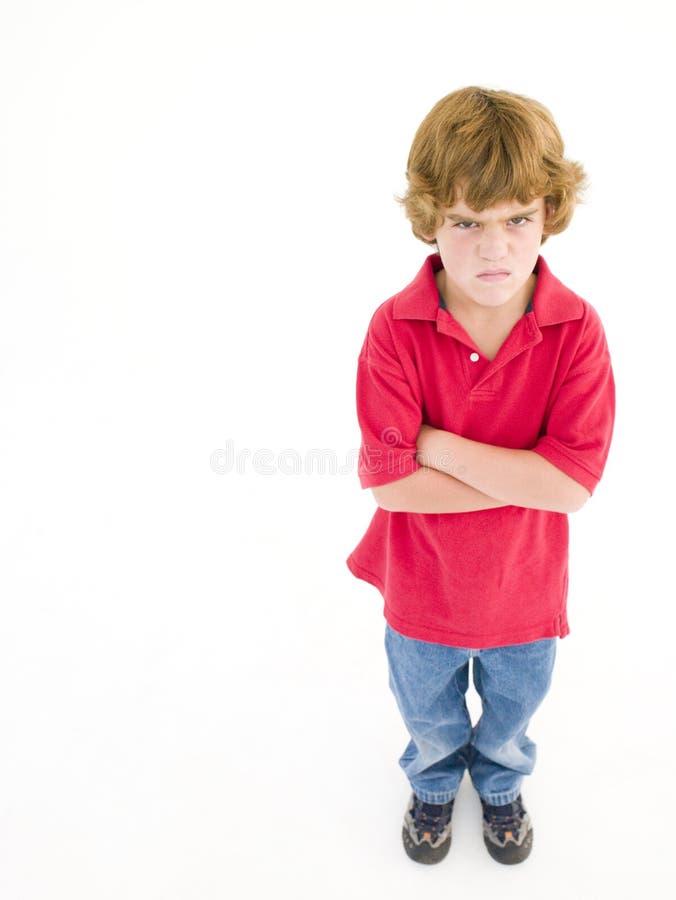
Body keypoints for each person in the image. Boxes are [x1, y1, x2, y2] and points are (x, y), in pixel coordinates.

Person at [345, 86, 615, 866]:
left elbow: (572, 488)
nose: (493, 248)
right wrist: (530, 472)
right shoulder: (394, 329)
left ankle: (499, 784)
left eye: (516, 220)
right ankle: (433, 781)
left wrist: (441, 445)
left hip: (527, 591)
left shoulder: (577, 329)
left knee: (512, 711)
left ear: (548, 214)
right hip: (420, 588)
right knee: (427, 712)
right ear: (430, 220)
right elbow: (391, 485)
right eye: (466, 222)